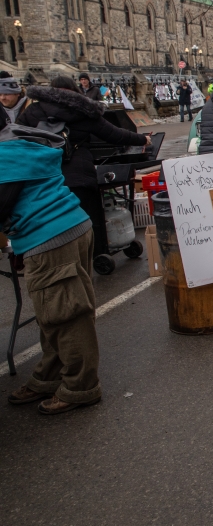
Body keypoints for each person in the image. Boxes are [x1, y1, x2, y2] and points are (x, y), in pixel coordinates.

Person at [0, 123, 102, 414]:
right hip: (70, 226)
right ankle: (49, 376)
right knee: (54, 313)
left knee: (66, 315)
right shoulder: (18, 142)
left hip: (50, 237)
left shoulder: (5, 155)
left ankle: (81, 387)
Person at [19, 76, 149, 258]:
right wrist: (143, 139)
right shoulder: (82, 111)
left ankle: (59, 255)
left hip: (44, 174)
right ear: (75, 90)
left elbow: (18, 138)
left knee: (51, 216)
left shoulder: (33, 110)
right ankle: (95, 253)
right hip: (77, 173)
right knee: (87, 216)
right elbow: (114, 134)